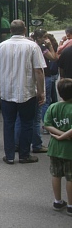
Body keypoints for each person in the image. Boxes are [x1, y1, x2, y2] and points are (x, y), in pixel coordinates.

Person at [0, 20, 46, 164]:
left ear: (10, 31)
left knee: (8, 124)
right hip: (27, 92)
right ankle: (24, 155)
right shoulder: (32, 46)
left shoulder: (2, 46)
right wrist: (41, 92)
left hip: (7, 92)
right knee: (27, 123)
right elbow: (39, 71)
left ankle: (9, 156)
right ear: (25, 30)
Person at [14, 29, 56, 153]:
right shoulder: (39, 49)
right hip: (36, 85)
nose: (45, 39)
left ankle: (17, 143)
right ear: (40, 38)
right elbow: (53, 58)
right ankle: (37, 144)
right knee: (35, 118)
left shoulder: (22, 49)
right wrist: (50, 46)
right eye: (44, 37)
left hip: (21, 85)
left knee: (19, 118)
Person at [43, 78, 72, 216]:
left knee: (56, 174)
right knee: (70, 177)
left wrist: (60, 135)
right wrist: (66, 135)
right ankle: (71, 205)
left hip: (54, 147)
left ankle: (57, 201)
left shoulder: (52, 107)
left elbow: (47, 124)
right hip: (69, 150)